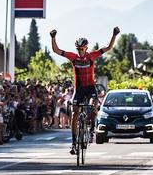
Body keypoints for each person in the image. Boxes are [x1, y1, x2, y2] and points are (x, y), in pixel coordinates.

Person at [50, 26, 120, 155]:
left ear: (86, 48)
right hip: (79, 89)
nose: (80, 51)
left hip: (90, 88)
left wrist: (114, 35)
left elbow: (108, 47)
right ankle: (73, 143)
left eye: (81, 49)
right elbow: (56, 50)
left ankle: (92, 129)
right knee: (74, 112)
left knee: (93, 104)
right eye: (78, 49)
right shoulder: (73, 57)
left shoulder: (92, 56)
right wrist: (53, 37)